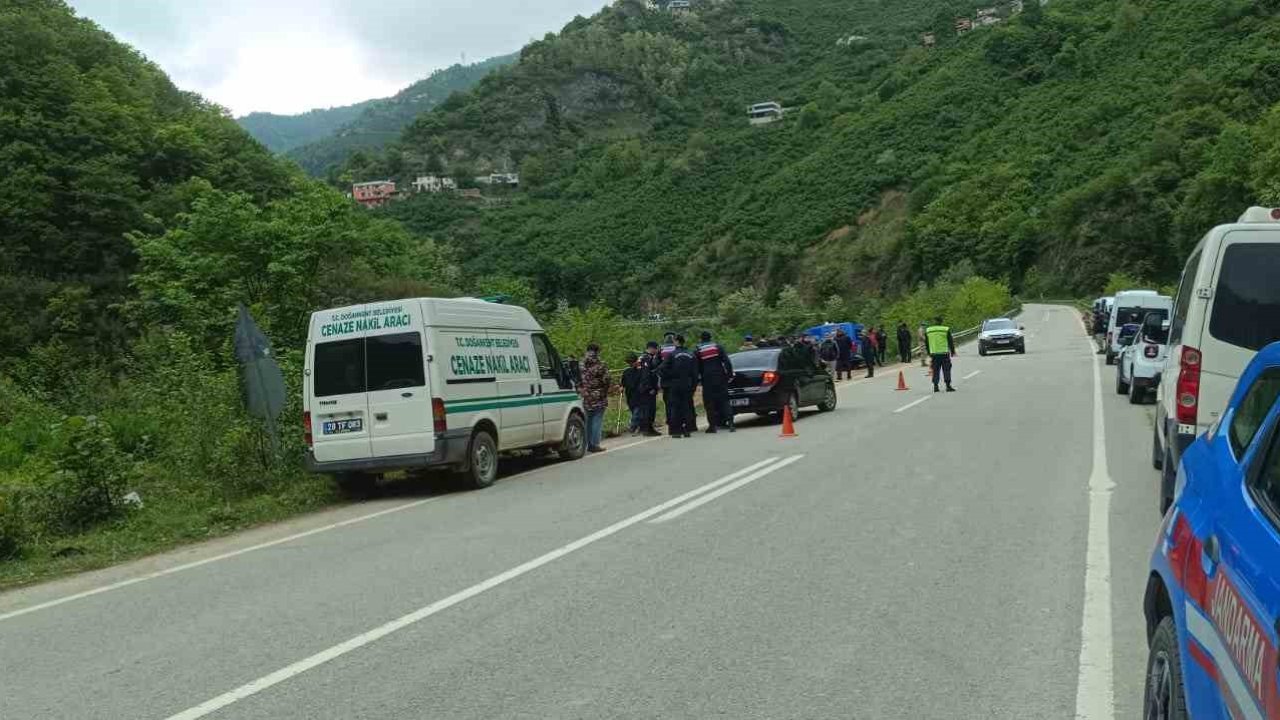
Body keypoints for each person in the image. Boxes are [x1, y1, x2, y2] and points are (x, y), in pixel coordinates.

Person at [660, 334, 699, 438]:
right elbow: (695, 373)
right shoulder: (691, 354)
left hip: (674, 384)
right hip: (687, 384)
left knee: (675, 407)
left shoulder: (672, 354)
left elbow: (662, 368)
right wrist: (694, 387)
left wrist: (670, 376)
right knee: (686, 407)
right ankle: (687, 430)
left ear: (676, 342)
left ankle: (676, 431)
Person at [697, 331, 735, 433]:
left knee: (709, 403)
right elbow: (726, 361)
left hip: (707, 379)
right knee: (724, 401)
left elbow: (696, 366)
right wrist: (729, 375)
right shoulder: (718, 347)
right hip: (720, 377)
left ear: (701, 339)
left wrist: (698, 379)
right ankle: (731, 424)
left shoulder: (698, 349)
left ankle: (712, 427)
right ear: (710, 338)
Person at [578, 343, 611, 452]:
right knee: (597, 419)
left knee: (587, 419)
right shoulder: (601, 364)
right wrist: (605, 391)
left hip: (585, 395)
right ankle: (594, 444)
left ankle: (586, 443)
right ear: (598, 351)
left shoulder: (581, 364)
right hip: (598, 395)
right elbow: (606, 380)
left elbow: (576, 379)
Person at [925, 317, 957, 393]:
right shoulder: (945, 329)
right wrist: (953, 351)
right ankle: (948, 386)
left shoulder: (929, 330)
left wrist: (929, 352)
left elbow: (926, 343)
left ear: (934, 322)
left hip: (934, 354)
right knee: (946, 369)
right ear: (941, 322)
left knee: (935, 370)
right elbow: (950, 341)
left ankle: (936, 387)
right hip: (944, 353)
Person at [637, 341, 662, 436]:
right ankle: (647, 429)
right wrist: (650, 387)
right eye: (656, 349)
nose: (656, 351)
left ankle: (649, 428)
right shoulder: (646, 358)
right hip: (647, 388)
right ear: (651, 348)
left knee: (649, 409)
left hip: (644, 387)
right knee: (649, 409)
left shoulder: (643, 357)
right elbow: (646, 375)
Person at [621, 353, 645, 435]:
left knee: (637, 411)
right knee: (633, 410)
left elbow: (644, 381)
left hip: (639, 393)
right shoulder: (626, 371)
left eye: (632, 362)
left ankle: (633, 426)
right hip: (629, 394)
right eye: (629, 362)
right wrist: (621, 387)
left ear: (636, 361)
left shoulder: (641, 371)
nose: (630, 364)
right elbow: (623, 382)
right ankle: (640, 426)